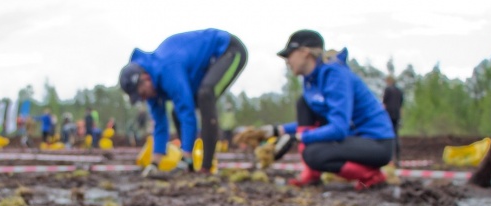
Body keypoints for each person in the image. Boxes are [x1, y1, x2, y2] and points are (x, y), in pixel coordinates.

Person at [263, 30, 395, 190]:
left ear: (305, 52)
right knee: (304, 103)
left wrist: (297, 137)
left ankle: (371, 176)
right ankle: (311, 174)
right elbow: (319, 123)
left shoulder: (335, 75)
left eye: (289, 55)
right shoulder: (311, 81)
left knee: (314, 154)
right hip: (353, 138)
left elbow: (338, 128)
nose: (287, 62)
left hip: (376, 143)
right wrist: (279, 130)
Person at [119, 28, 247, 176]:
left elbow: (187, 112)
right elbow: (160, 125)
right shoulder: (152, 91)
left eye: (141, 94)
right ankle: (189, 163)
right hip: (205, 66)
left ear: (145, 78)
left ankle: (204, 166)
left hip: (228, 50)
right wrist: (154, 163)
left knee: (205, 95)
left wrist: (185, 157)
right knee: (176, 112)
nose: (143, 98)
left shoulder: (168, 70)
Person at [383, 76, 404, 166]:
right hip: (397, 116)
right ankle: (397, 158)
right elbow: (401, 106)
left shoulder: (387, 90)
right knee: (396, 136)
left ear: (389, 81)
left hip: (388, 115)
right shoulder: (400, 91)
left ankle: (390, 158)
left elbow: (384, 104)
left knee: (389, 136)